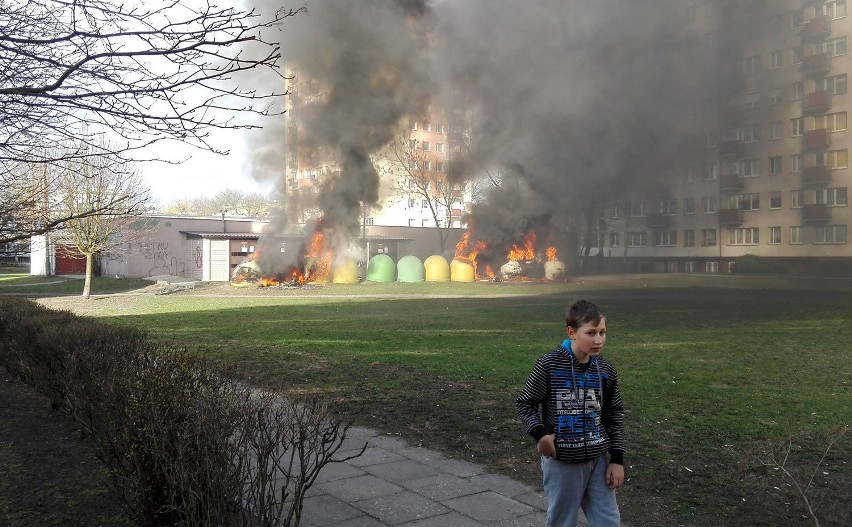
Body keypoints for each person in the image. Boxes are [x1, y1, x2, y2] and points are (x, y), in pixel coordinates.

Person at [515, 299, 625, 527]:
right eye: (591, 333)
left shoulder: (605, 370)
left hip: (598, 461)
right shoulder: (549, 364)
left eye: (603, 332)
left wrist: (616, 459)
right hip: (563, 462)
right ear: (572, 332)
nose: (598, 340)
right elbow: (525, 403)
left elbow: (614, 414)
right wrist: (541, 436)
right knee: (562, 522)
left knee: (609, 522)